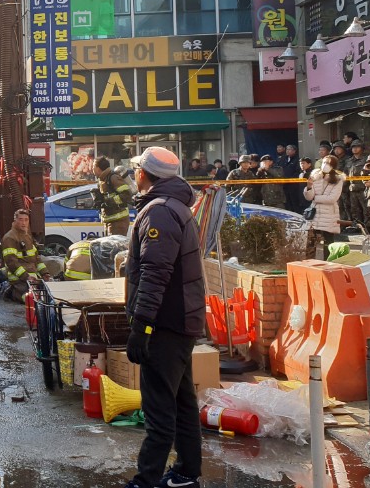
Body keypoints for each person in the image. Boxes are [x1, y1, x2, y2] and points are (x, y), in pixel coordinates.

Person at [122, 147, 206, 488]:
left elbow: (155, 274)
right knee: (182, 402)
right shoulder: (173, 206)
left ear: (144, 174)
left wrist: (142, 326)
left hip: (165, 323)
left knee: (159, 408)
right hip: (178, 321)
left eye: (136, 169)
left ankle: (146, 480)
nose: (134, 174)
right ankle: (186, 473)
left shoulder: (159, 211)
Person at [304, 155, 345, 261]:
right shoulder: (315, 176)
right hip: (315, 213)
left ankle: (328, 263)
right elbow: (309, 197)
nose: (325, 165)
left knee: (328, 242)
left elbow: (332, 198)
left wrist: (316, 198)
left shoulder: (338, 179)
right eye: (324, 162)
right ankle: (310, 263)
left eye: (328, 163)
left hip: (329, 214)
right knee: (311, 242)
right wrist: (308, 187)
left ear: (333, 166)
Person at [0, 208, 47, 293]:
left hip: (33, 279)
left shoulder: (27, 237)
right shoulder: (10, 238)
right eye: (20, 220)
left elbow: (37, 259)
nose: (24, 223)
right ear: (15, 221)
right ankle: (12, 294)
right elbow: (11, 262)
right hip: (18, 281)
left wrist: (45, 273)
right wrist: (26, 277)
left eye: (26, 220)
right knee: (30, 298)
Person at [94, 157, 135, 236]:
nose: (92, 169)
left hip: (118, 221)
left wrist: (108, 201)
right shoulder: (103, 179)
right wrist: (100, 200)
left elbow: (126, 195)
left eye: (93, 167)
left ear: (98, 168)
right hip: (110, 221)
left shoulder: (113, 178)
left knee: (116, 244)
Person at [344, 141, 369, 231]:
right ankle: (358, 226)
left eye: (357, 147)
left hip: (363, 188)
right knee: (354, 209)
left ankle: (368, 226)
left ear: (362, 148)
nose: (355, 149)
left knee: (366, 209)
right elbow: (345, 174)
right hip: (352, 188)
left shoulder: (366, 160)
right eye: (353, 147)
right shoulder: (349, 161)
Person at [281, 144, 304, 213]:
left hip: (293, 185)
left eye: (289, 149)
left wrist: (290, 179)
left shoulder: (297, 160)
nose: (287, 151)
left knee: (294, 202)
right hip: (284, 184)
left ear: (294, 151)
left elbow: (298, 171)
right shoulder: (283, 158)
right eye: (287, 149)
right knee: (287, 202)